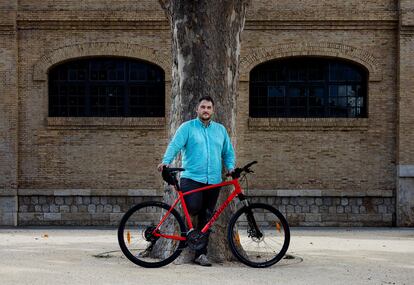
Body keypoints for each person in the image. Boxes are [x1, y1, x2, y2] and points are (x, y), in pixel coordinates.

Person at [157, 96, 236, 266]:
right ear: (197, 109)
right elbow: (174, 145)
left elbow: (228, 152)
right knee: (193, 207)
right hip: (191, 177)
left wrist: (230, 167)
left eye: (209, 107)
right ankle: (187, 236)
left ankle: (201, 254)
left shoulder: (220, 130)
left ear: (213, 110)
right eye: (203, 107)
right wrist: (166, 161)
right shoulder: (187, 127)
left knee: (207, 217)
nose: (206, 110)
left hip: (213, 179)